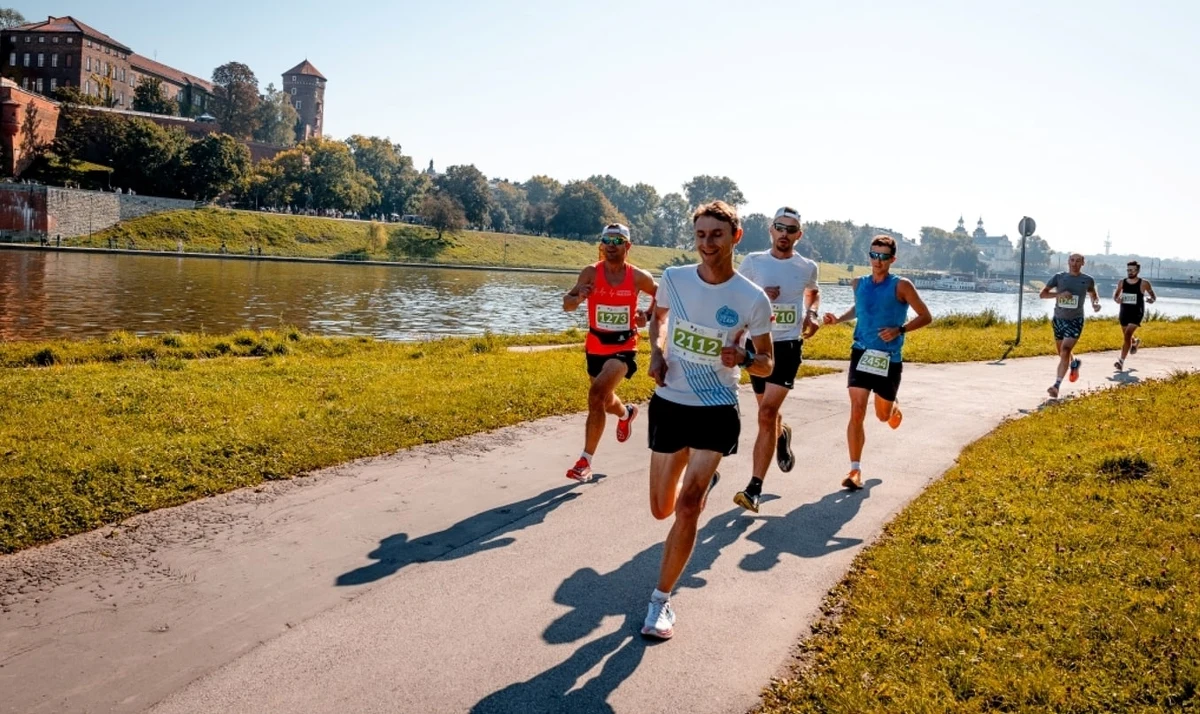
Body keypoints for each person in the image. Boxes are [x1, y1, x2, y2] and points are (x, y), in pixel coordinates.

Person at [641, 200, 774, 639]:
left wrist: (746, 355)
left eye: (716, 235)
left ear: (735, 237)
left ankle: (660, 601)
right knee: (662, 508)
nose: (707, 243)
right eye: (700, 235)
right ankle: (696, 480)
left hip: (717, 407)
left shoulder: (751, 299)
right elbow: (658, 320)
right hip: (671, 402)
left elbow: (768, 364)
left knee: (689, 504)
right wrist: (658, 353)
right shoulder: (674, 280)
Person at [822, 236, 931, 490]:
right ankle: (855, 470)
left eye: (883, 256)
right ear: (869, 256)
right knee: (857, 410)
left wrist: (899, 330)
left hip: (888, 359)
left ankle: (892, 409)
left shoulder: (902, 286)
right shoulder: (858, 282)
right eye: (873, 255)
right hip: (861, 353)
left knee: (882, 416)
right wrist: (837, 318)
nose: (877, 261)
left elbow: (926, 316)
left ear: (892, 259)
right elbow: (859, 309)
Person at [732, 206, 820, 513]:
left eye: (791, 229)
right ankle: (782, 435)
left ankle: (754, 488)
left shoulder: (807, 266)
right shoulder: (753, 262)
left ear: (799, 235)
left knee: (766, 413)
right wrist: (759, 294)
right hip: (757, 345)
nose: (784, 234)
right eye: (779, 228)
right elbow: (734, 295)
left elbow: (812, 292)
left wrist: (811, 313)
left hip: (787, 347)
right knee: (766, 414)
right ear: (771, 230)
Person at [562, 223, 657, 482]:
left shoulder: (638, 277)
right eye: (607, 240)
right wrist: (580, 296)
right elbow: (567, 305)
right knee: (604, 400)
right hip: (595, 345)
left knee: (595, 395)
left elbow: (662, 296)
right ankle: (626, 413)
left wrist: (646, 315)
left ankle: (585, 461)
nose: (611, 245)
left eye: (617, 240)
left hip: (624, 346)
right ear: (601, 244)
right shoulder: (591, 273)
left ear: (628, 246)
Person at [1039, 253, 1100, 398]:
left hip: (1075, 320)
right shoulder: (1059, 277)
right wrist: (1059, 295)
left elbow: (1093, 294)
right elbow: (1043, 294)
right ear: (1068, 262)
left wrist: (1095, 304)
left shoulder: (1087, 280)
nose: (1074, 263)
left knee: (1065, 350)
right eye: (1072, 260)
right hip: (1059, 319)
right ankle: (1075, 363)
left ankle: (1056, 386)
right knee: (1062, 353)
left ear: (1083, 263)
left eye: (1078, 261)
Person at [1113, 260, 1156, 371]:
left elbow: (1153, 296)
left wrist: (1151, 299)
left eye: (1132, 270)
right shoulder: (1122, 282)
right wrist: (1117, 299)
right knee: (1127, 336)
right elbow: (1116, 296)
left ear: (1137, 270)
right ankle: (1135, 342)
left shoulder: (1144, 283)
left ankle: (1120, 362)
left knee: (1127, 335)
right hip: (1124, 312)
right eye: (1128, 270)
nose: (1130, 272)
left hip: (1137, 312)